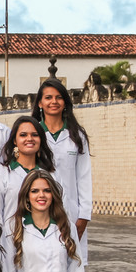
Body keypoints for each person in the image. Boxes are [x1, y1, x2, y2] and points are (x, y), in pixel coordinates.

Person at [31, 80, 92, 260]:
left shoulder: (77, 135)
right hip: (37, 211)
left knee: (71, 266)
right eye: (48, 97)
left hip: (71, 212)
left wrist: (83, 216)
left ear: (65, 102)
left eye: (59, 97)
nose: (54, 102)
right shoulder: (32, 134)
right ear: (40, 103)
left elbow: (84, 176)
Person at [0, 117, 55, 225]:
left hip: (45, 239)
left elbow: (60, 212)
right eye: (23, 135)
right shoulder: (0, 173)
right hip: (10, 240)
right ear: (14, 140)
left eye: (35, 135)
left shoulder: (52, 175)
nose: (29, 138)